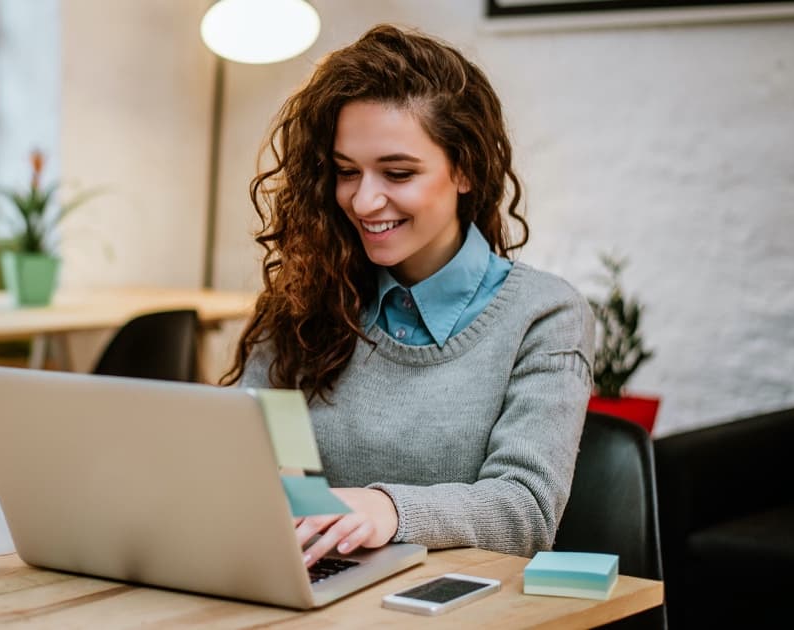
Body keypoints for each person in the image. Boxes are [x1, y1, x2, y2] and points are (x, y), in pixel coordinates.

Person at [221, 24, 595, 567]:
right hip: (311, 589)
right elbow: (254, 444)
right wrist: (273, 479)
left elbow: (526, 509)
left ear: (465, 169)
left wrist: (386, 508)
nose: (365, 201)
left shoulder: (544, 316)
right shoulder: (311, 296)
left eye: (397, 172)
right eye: (347, 172)